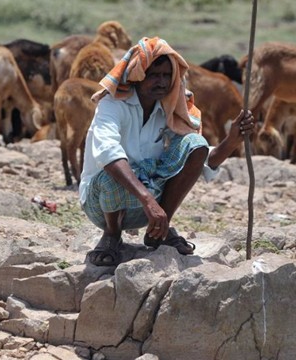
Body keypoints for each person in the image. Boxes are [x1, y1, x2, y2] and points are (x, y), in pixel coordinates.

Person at [79, 36, 255, 266]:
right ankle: (111, 236)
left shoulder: (168, 107)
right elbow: (108, 154)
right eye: (154, 75)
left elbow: (201, 156)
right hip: (102, 203)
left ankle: (158, 231)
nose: (161, 82)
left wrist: (231, 141)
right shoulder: (112, 104)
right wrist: (149, 201)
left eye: (166, 76)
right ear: (138, 75)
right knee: (115, 172)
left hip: (147, 205)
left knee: (195, 143)